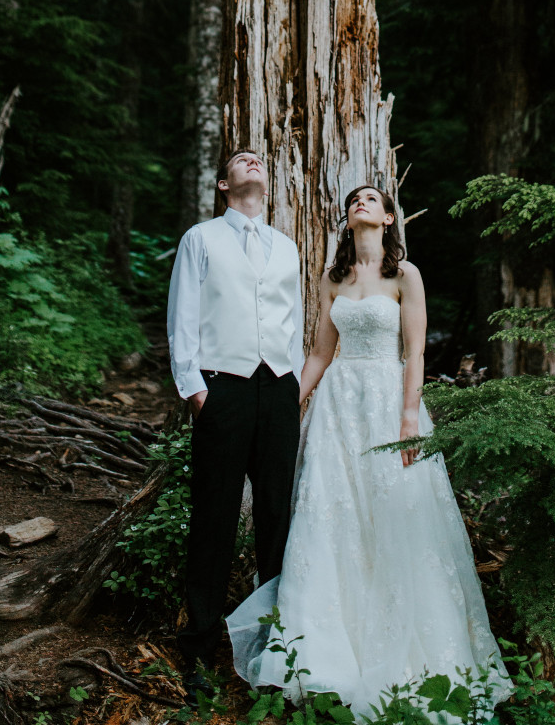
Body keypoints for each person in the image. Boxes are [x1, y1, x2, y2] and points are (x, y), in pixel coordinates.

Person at [227, 184, 511, 720]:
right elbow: (318, 352)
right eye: (354, 198)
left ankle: (407, 656)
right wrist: (288, 407)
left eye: (371, 198)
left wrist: (409, 417)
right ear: (349, 219)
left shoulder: (405, 276)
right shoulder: (331, 280)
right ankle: (328, 655)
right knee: (332, 519)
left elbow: (416, 348)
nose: (361, 202)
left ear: (387, 217)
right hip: (337, 409)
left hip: (387, 404)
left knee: (395, 518)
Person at [167, 149, 303, 699]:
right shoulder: (201, 238)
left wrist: (291, 384)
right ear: (224, 185)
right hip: (222, 386)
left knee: (276, 514)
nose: (253, 162)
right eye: (240, 161)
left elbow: (292, 319)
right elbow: (182, 314)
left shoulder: (287, 247)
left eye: (258, 160)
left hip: (279, 389)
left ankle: (271, 648)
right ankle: (198, 646)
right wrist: (195, 390)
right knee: (214, 516)